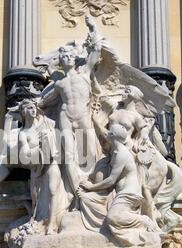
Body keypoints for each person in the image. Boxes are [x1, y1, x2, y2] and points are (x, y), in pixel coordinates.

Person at [37, 16, 102, 195]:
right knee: (69, 154)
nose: (66, 58)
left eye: (69, 56)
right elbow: (44, 102)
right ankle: (75, 191)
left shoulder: (85, 73)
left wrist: (93, 28)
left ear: (75, 59)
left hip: (82, 115)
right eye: (63, 56)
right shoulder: (59, 83)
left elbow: (96, 50)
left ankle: (91, 187)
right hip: (65, 116)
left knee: (89, 152)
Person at [79, 124, 162, 247]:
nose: (106, 134)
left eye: (109, 133)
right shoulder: (115, 151)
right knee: (86, 199)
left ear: (112, 136)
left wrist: (90, 187)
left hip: (128, 194)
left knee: (113, 217)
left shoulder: (121, 154)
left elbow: (111, 180)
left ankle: (144, 221)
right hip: (118, 193)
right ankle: (101, 230)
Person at [17, 100, 68, 235]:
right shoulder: (23, 133)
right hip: (37, 167)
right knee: (36, 197)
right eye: (29, 108)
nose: (33, 110)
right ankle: (36, 219)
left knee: (53, 191)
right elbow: (24, 154)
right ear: (23, 112)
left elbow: (61, 133)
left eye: (34, 107)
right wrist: (40, 150)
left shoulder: (47, 123)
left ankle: (51, 226)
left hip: (52, 162)